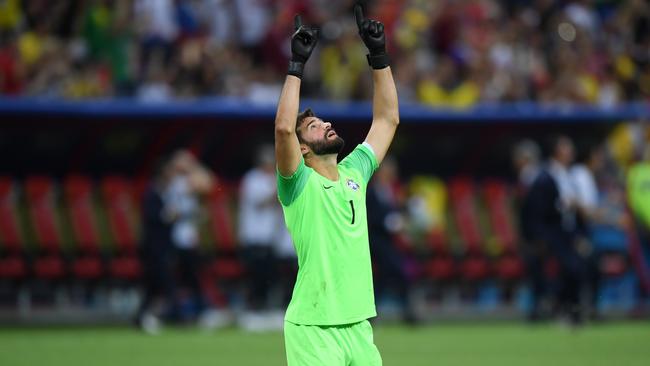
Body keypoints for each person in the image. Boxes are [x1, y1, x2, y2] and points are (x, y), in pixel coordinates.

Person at [274, 4, 398, 365]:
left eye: (323, 120)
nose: (326, 123)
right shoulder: (297, 184)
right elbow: (283, 128)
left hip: (358, 324)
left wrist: (378, 56)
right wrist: (296, 66)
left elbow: (388, 119)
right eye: (314, 126)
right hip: (313, 327)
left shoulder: (355, 171)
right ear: (302, 150)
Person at [238, 144, 294, 315]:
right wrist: (281, 191)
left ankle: (271, 305)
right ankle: (254, 306)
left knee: (277, 275)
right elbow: (261, 202)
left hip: (272, 240)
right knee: (257, 276)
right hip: (254, 238)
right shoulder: (252, 179)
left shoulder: (275, 178)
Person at [166, 150, 215, 322]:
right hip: (178, 237)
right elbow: (204, 183)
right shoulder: (178, 182)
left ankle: (195, 311)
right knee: (185, 277)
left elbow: (209, 182)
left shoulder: (184, 181)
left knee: (193, 276)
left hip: (189, 237)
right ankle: (183, 312)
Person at [366, 156, 416, 324]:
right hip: (375, 242)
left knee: (383, 279)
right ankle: (408, 314)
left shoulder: (393, 192)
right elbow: (370, 217)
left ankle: (374, 314)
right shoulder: (370, 191)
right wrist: (390, 223)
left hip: (388, 243)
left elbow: (399, 212)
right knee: (397, 273)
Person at [134, 156, 176, 334]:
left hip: (161, 246)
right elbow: (153, 218)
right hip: (152, 247)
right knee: (161, 284)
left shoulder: (164, 193)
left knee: (153, 286)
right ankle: (151, 316)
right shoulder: (152, 193)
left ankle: (141, 317)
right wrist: (169, 216)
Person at [512, 139, 548, 321]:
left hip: (538, 235)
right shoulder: (525, 178)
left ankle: (542, 307)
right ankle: (536, 308)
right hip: (530, 234)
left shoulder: (540, 179)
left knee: (540, 272)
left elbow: (541, 211)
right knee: (534, 272)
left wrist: (541, 235)